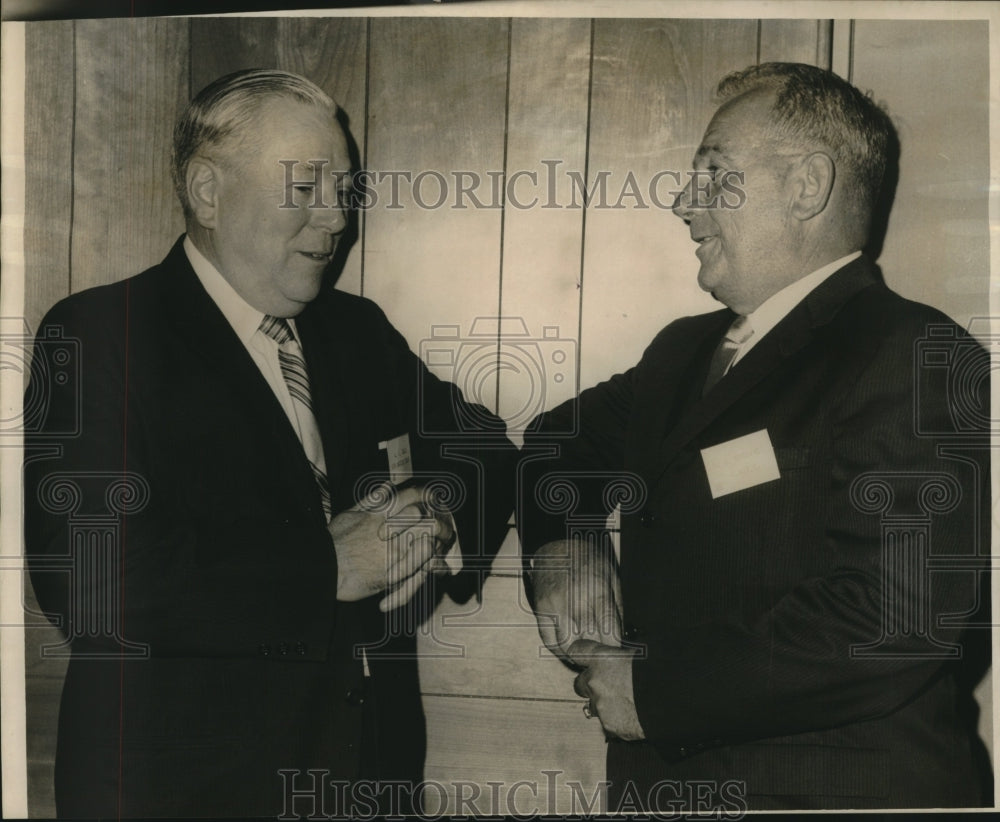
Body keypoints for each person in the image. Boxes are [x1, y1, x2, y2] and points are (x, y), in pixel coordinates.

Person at [24, 68, 518, 817]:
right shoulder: (100, 336)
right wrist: (325, 566)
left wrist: (434, 517)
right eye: (308, 187)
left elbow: (483, 449)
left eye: (344, 191)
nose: (335, 220)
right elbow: (87, 580)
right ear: (208, 190)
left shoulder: (357, 332)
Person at [518, 62, 990, 810]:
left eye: (714, 174)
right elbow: (558, 444)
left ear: (807, 186)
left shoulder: (916, 351)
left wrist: (656, 691)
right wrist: (563, 544)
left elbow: (896, 618)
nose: (683, 203)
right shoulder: (681, 352)